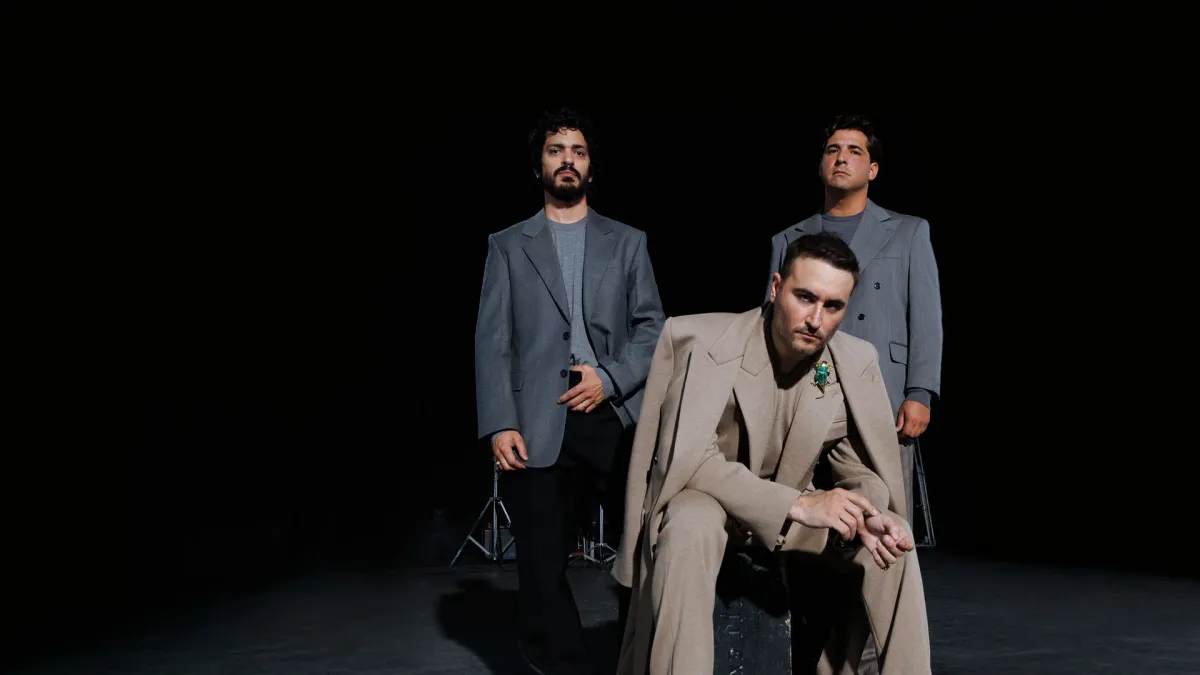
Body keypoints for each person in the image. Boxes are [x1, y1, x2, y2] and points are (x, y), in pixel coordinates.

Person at [615, 233, 931, 675]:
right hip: (711, 503)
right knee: (690, 523)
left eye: (833, 306)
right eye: (805, 297)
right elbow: (687, 458)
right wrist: (798, 504)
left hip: (789, 525)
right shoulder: (704, 341)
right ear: (777, 287)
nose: (816, 319)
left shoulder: (851, 362)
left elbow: (857, 466)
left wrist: (867, 509)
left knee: (894, 538)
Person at [474, 106, 666, 675]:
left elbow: (654, 329)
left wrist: (610, 378)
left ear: (590, 167)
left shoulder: (627, 241)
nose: (567, 160)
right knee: (540, 560)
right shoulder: (508, 245)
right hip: (537, 419)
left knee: (641, 545)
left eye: (578, 152)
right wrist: (500, 422)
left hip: (614, 414)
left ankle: (639, 653)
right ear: (539, 165)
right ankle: (560, 662)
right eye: (556, 150)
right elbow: (492, 340)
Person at [765, 114, 943, 519]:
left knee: (885, 512)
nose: (842, 158)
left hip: (883, 388)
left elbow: (926, 319)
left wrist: (920, 393)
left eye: (854, 151)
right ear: (821, 165)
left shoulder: (907, 232)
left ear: (872, 169)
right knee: (805, 507)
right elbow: (770, 321)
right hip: (804, 388)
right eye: (833, 150)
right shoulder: (789, 239)